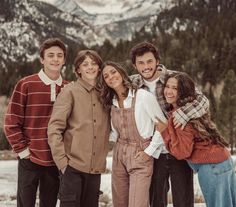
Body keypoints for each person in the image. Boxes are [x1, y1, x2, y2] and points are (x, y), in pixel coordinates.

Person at [130, 42, 210, 207]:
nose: (146, 67)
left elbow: (203, 101)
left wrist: (180, 116)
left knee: (183, 199)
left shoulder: (175, 78)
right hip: (154, 150)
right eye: (141, 63)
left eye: (149, 61)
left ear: (157, 60)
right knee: (156, 198)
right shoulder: (133, 84)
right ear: (134, 65)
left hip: (179, 148)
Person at [4, 38, 68, 207]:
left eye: (59, 55)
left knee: (49, 203)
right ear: (42, 59)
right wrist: (23, 151)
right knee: (25, 203)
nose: (55, 59)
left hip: (55, 158)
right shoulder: (26, 84)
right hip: (30, 157)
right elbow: (11, 122)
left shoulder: (69, 87)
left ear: (64, 60)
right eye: (50, 55)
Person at [162, 72, 236, 207]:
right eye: (167, 86)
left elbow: (182, 152)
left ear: (183, 92)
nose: (169, 91)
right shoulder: (192, 109)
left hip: (211, 167)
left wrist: (164, 131)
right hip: (224, 162)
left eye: (175, 88)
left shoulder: (180, 117)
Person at [99, 61, 167, 207]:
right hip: (119, 155)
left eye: (113, 72)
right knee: (120, 202)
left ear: (122, 73)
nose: (111, 77)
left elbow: (163, 126)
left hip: (140, 154)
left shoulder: (142, 96)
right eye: (106, 76)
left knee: (138, 203)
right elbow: (115, 132)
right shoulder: (112, 101)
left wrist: (149, 152)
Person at [47, 50, 110, 207]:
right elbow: (54, 128)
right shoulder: (69, 91)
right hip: (72, 167)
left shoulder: (105, 94)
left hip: (95, 169)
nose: (90, 67)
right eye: (85, 64)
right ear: (78, 69)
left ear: (100, 68)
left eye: (94, 63)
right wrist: (63, 163)